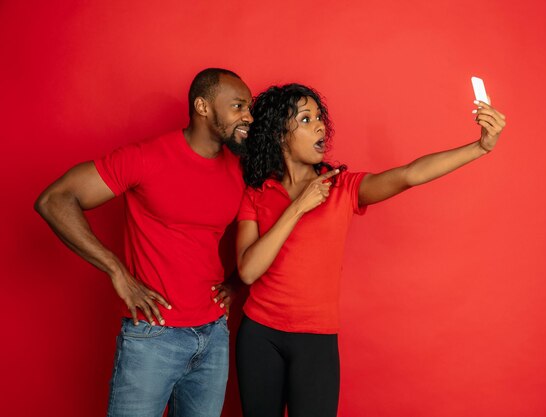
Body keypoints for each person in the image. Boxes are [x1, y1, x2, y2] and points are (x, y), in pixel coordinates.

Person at [234, 83, 506, 417]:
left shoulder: (342, 188)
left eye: (319, 117)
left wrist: (480, 148)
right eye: (306, 119)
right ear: (279, 134)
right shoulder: (257, 194)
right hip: (260, 335)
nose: (320, 125)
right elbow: (248, 270)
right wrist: (297, 208)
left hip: (315, 339)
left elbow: (410, 175)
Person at [34, 68, 254, 417]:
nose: (248, 116)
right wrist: (116, 271)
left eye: (249, 107)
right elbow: (55, 200)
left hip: (213, 336)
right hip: (154, 337)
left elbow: (258, 233)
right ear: (202, 106)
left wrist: (235, 282)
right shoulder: (146, 157)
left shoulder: (238, 170)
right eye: (239, 106)